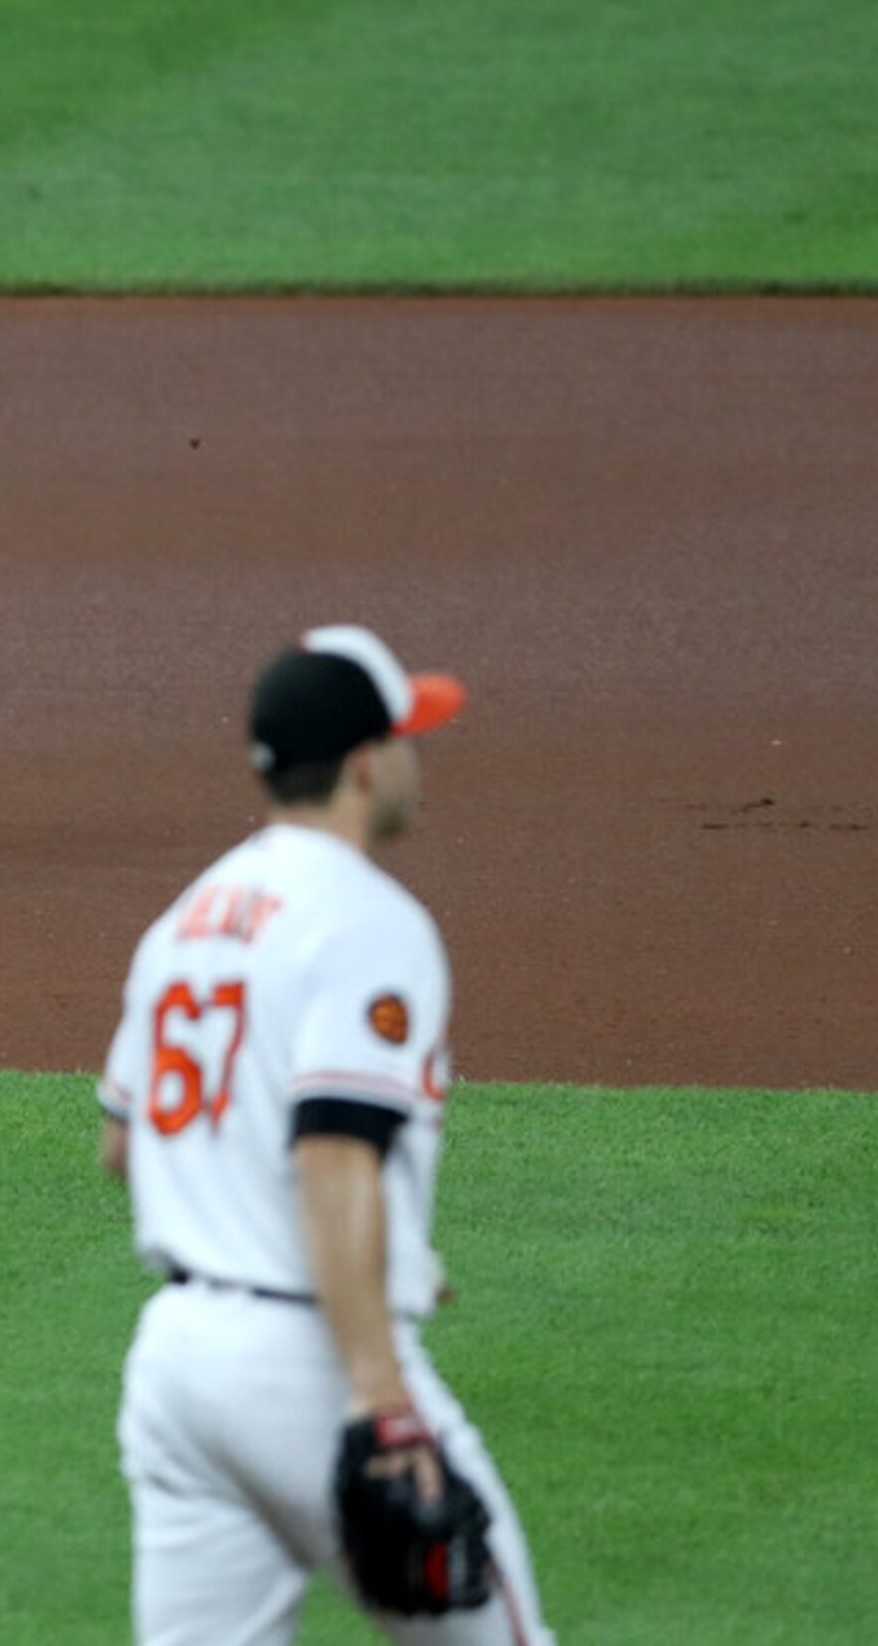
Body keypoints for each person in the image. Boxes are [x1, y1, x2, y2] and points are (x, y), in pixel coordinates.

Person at [98, 627, 552, 1643]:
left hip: (174, 1370)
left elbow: (125, 1147)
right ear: (362, 764)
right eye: (406, 738)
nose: (416, 760)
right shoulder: (364, 921)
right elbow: (333, 1158)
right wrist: (380, 1398)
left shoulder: (184, 921)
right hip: (306, 1363)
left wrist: (377, 1244)